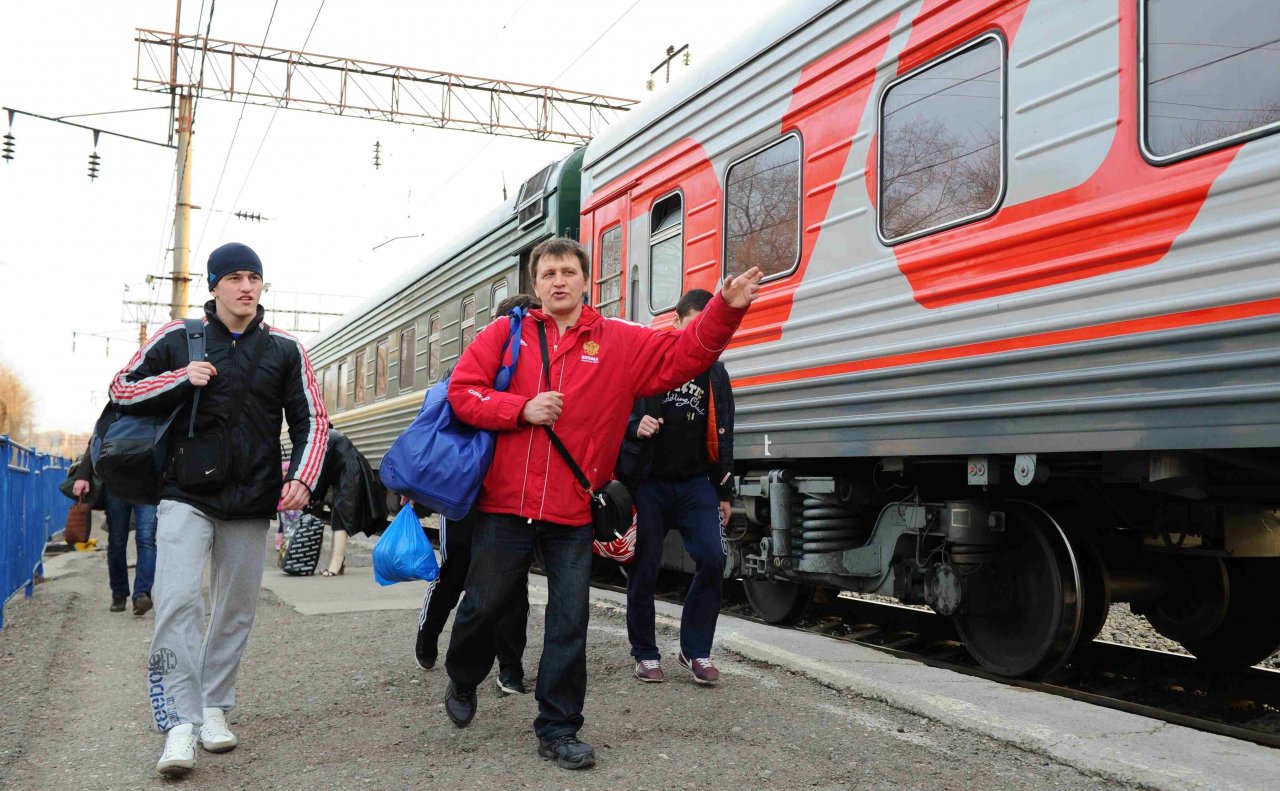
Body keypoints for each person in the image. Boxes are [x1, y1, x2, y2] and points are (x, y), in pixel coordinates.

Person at [442, 236, 762, 770]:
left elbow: (685, 354)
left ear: (586, 281)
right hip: (506, 504)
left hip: (572, 508)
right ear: (535, 283)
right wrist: (520, 409)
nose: (558, 281)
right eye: (548, 274)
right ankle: (463, 672)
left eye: (568, 271)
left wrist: (726, 310)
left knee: (570, 621)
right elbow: (462, 392)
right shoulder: (506, 333)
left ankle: (559, 728)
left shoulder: (618, 341)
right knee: (482, 606)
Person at [108, 242, 328, 778]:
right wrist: (181, 377)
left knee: (234, 611)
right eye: (234, 277)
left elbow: (313, 421)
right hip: (184, 494)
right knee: (178, 600)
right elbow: (120, 389)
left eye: (254, 277)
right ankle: (178, 724)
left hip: (251, 500)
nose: (246, 287)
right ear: (214, 285)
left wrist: (302, 476)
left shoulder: (285, 348)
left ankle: (213, 708)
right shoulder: (177, 338)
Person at [414, 294, 539, 694]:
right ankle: (429, 636)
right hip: (465, 491)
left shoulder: (539, 370)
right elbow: (435, 427)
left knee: (513, 582)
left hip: (508, 491)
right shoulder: (468, 366)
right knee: (456, 569)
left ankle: (510, 667)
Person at [618, 288, 735, 685]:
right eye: (696, 324)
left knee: (713, 557)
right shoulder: (648, 364)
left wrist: (724, 492)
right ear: (677, 324)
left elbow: (725, 433)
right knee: (645, 567)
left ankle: (695, 650)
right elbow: (614, 416)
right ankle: (645, 654)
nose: (703, 333)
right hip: (649, 483)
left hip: (695, 484)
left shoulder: (716, 374)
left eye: (710, 325)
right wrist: (637, 426)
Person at [72, 441, 158, 615]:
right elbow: (97, 440)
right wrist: (82, 475)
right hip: (116, 481)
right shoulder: (114, 413)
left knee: (146, 538)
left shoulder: (156, 414)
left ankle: (142, 594)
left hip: (148, 481)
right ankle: (119, 594)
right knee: (117, 540)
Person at [307, 427, 387, 576]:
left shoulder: (325, 439)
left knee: (340, 520)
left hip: (350, 475)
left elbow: (322, 471)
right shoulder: (328, 436)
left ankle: (335, 565)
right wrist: (316, 496)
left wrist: (314, 496)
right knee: (337, 518)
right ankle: (337, 563)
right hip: (350, 474)